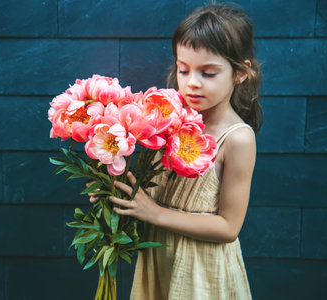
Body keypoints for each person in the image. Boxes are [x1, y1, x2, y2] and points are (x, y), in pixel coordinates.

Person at [90, 3, 262, 299]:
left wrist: (154, 213)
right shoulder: (166, 122)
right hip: (158, 261)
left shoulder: (238, 139)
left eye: (208, 73)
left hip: (201, 272)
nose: (191, 82)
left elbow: (229, 227)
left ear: (240, 73)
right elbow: (151, 193)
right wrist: (115, 194)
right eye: (183, 69)